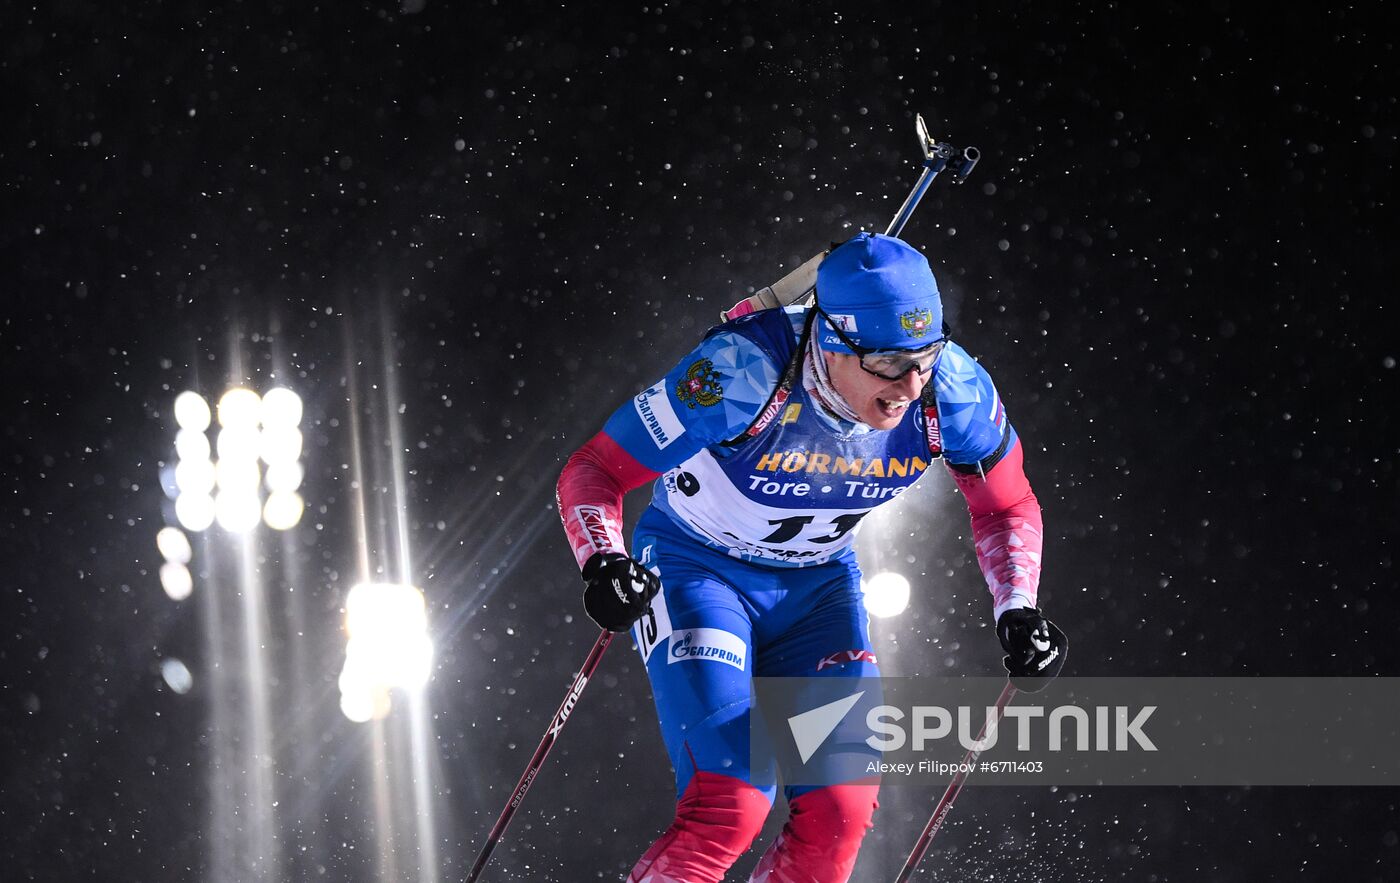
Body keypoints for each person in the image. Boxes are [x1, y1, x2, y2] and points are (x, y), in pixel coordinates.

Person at [556, 232, 1067, 882]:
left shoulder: (953, 391)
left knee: (839, 816)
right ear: (831, 339)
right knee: (733, 802)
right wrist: (602, 559)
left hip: (818, 592)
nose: (911, 384)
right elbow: (596, 467)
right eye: (886, 361)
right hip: (698, 570)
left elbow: (1006, 503)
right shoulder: (742, 372)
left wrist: (1018, 607)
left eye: (926, 355)